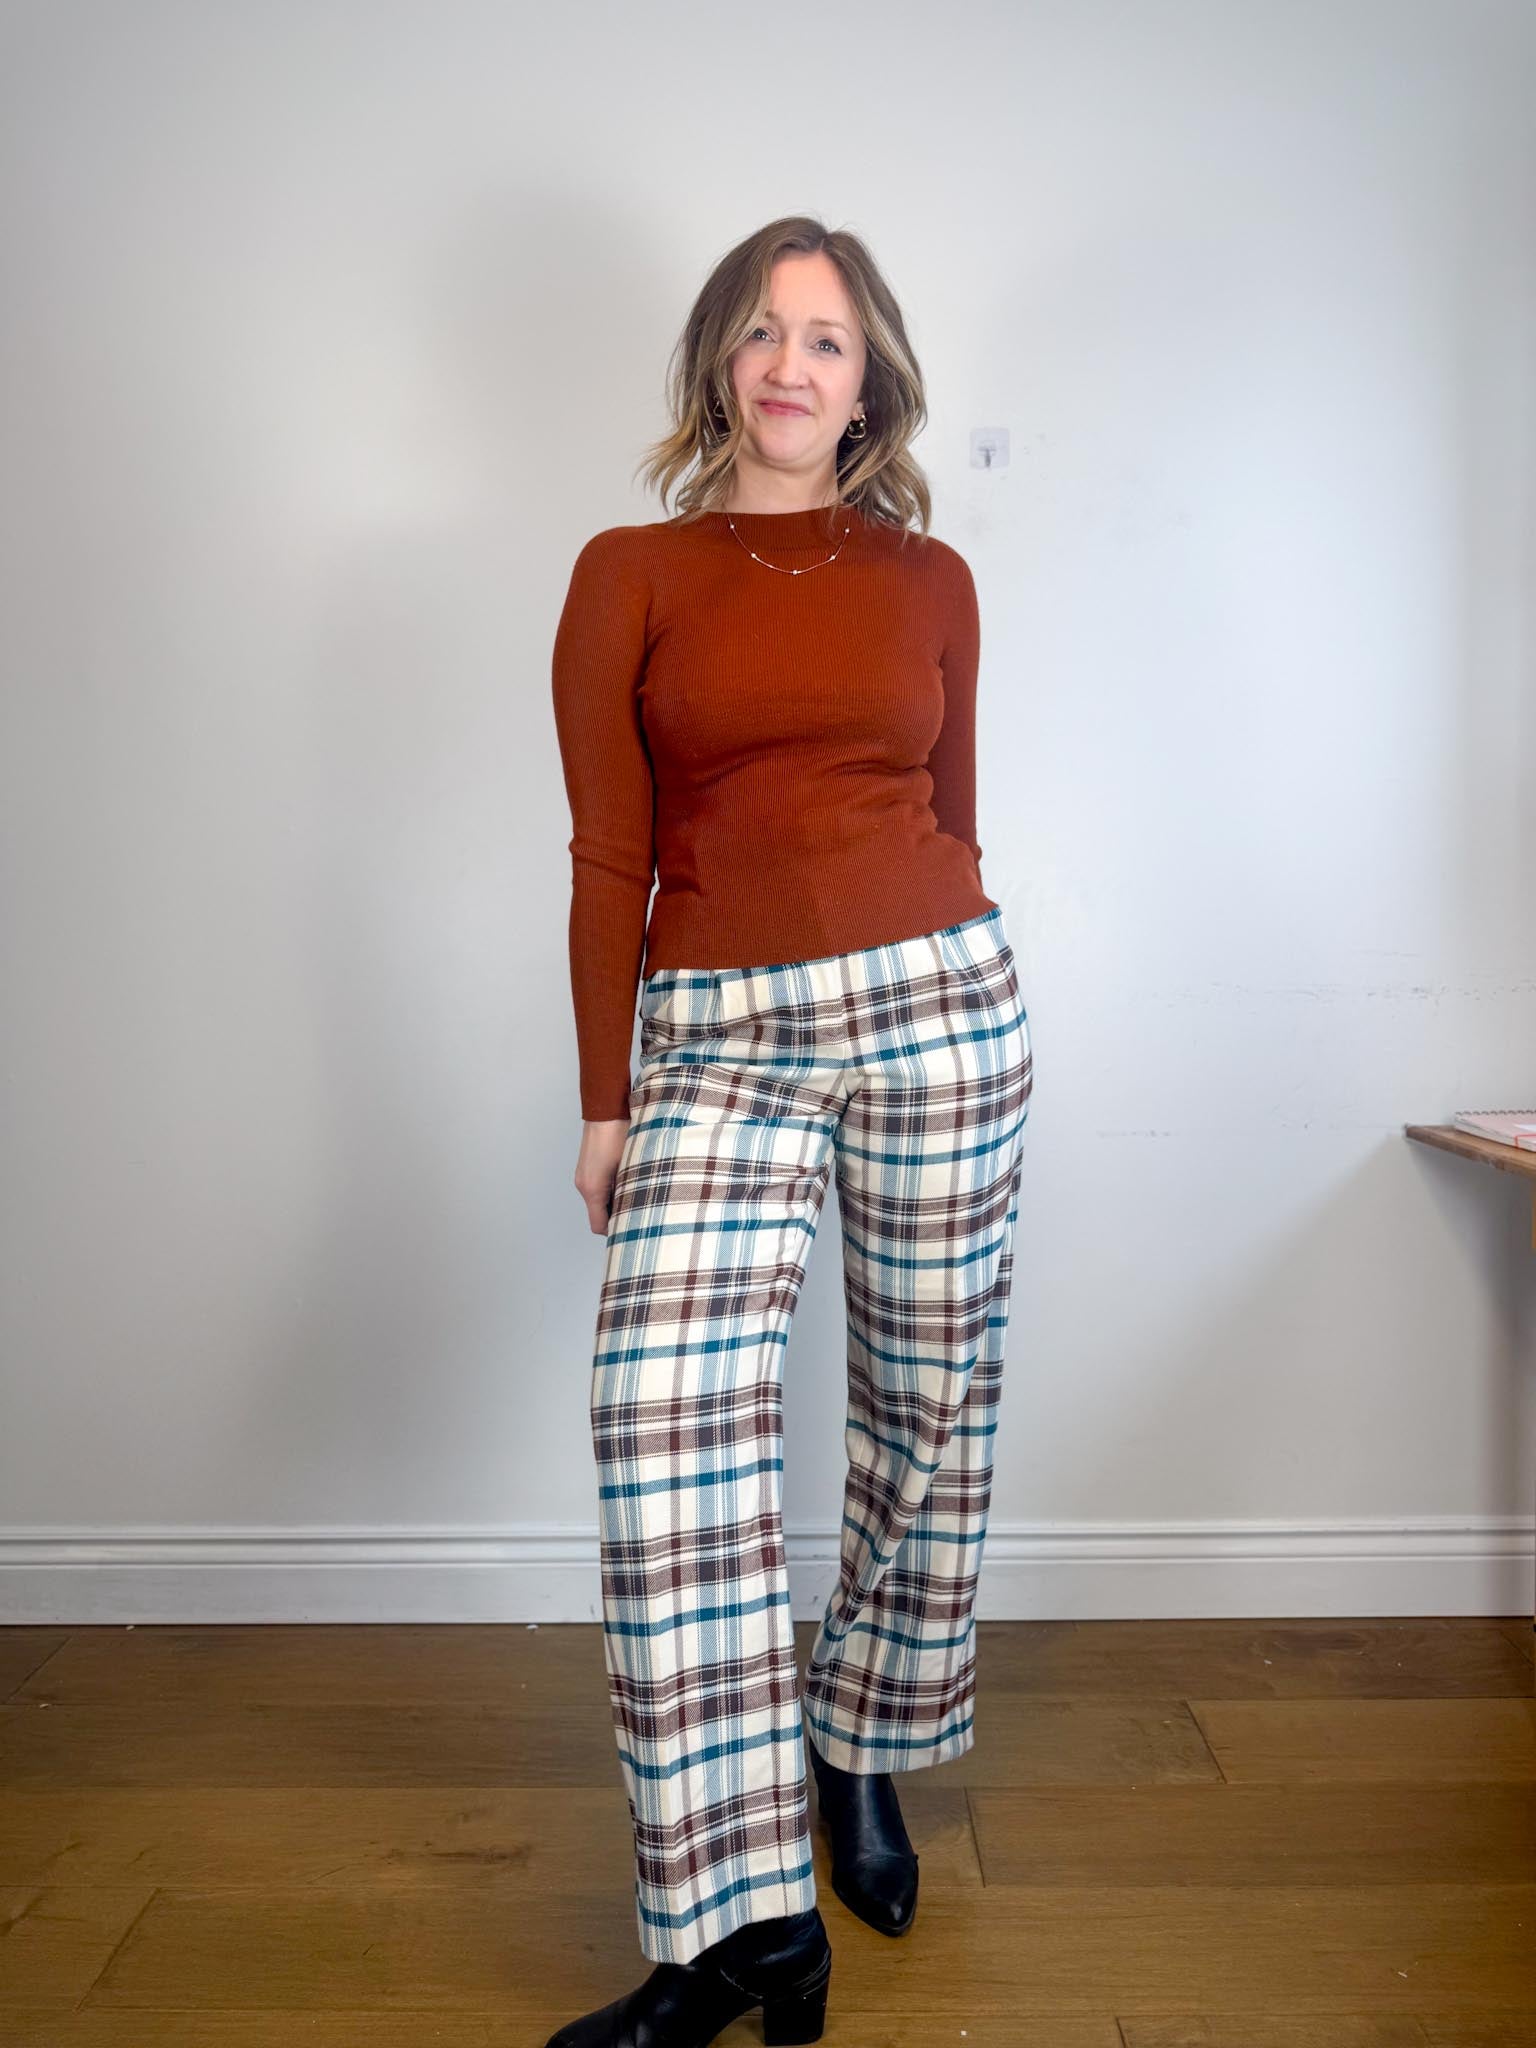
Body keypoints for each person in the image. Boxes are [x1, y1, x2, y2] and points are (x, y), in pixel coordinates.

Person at [546, 214, 1033, 2048]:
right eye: (760, 331)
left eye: (826, 338)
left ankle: (863, 1741)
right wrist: (607, 1098)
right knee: (658, 1423)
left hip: (938, 1007)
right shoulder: (630, 573)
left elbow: (954, 818)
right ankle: (739, 1924)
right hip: (718, 1036)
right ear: (716, 363)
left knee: (927, 1399)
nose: (789, 364)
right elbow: (609, 855)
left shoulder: (933, 580)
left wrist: (946, 959)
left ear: (869, 380)